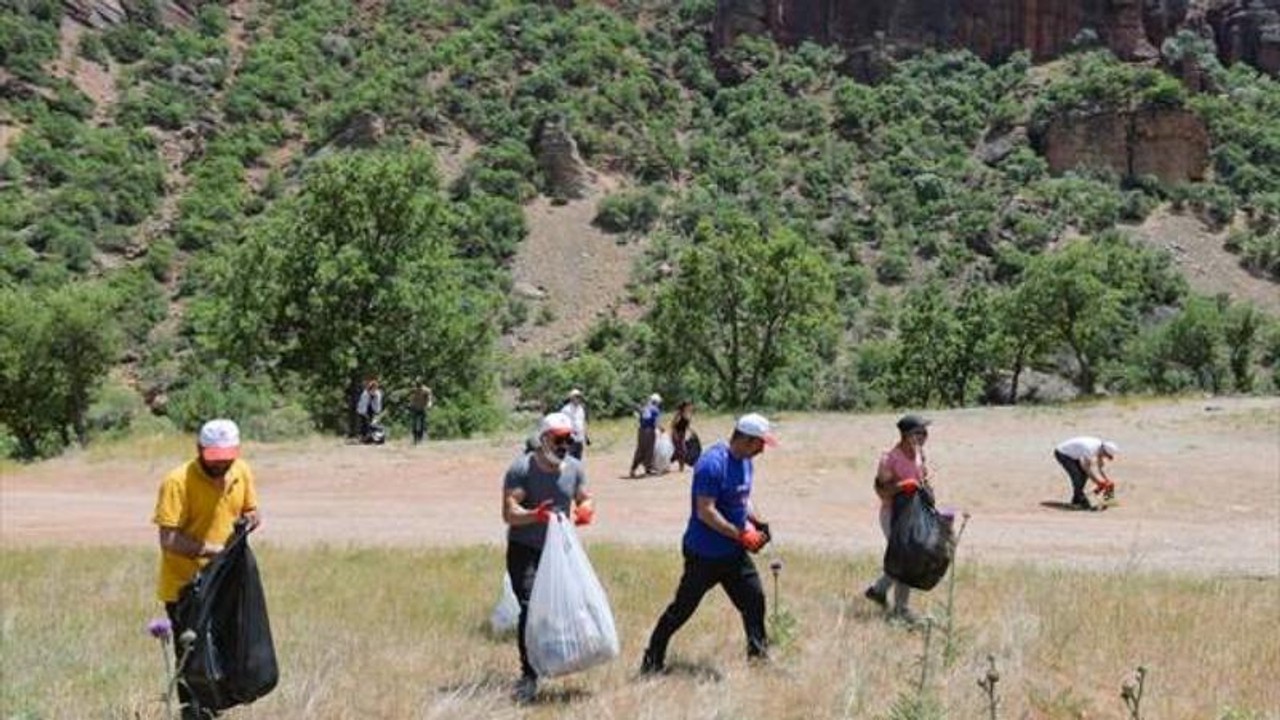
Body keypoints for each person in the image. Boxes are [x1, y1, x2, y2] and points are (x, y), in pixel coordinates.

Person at [641, 413, 776, 675]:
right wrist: (741, 535)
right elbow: (706, 511)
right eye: (760, 444)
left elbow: (743, 498)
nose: (762, 450)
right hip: (704, 554)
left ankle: (758, 656)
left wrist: (757, 522)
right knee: (682, 609)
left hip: (733, 553)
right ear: (746, 440)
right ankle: (652, 660)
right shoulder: (712, 463)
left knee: (754, 600)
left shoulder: (746, 462)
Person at [152, 419, 261, 718]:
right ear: (199, 450)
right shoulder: (177, 482)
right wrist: (213, 551)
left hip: (225, 581)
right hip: (186, 586)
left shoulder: (241, 471)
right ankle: (193, 711)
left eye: (227, 459)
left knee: (227, 648)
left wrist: (251, 519)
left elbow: (251, 509)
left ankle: (217, 709)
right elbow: (169, 538)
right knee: (193, 659)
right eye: (214, 460)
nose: (221, 466)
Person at [502, 411, 596, 703]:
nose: (564, 445)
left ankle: (557, 660)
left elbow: (583, 496)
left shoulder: (575, 468)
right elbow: (509, 513)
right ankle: (529, 675)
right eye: (559, 439)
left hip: (559, 552)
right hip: (524, 551)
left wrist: (585, 509)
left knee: (565, 610)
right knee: (530, 609)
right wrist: (534, 515)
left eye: (569, 440)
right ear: (544, 439)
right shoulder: (521, 469)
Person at [863, 414, 932, 626]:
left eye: (925, 432)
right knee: (906, 560)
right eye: (918, 432)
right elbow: (882, 491)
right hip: (893, 515)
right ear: (905, 435)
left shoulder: (920, 453)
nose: (924, 436)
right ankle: (901, 610)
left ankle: (878, 591)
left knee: (904, 559)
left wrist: (925, 482)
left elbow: (922, 475)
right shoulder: (889, 459)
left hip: (914, 513)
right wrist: (902, 486)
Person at [1053, 436, 1118, 510]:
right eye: (1106, 455)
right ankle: (1082, 501)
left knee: (1083, 476)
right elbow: (1086, 468)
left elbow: (1100, 467)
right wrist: (1098, 482)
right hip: (1062, 453)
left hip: (1073, 455)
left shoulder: (1100, 447)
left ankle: (1077, 500)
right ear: (1103, 451)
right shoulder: (1090, 449)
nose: (1105, 457)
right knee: (1077, 476)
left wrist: (1107, 480)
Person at [629, 393, 662, 477]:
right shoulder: (656, 410)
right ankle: (647, 470)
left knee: (640, 450)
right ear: (657, 402)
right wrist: (661, 429)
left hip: (641, 431)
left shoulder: (644, 408)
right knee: (649, 450)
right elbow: (657, 423)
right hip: (649, 431)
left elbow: (637, 416)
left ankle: (633, 469)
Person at [559, 388, 589, 460]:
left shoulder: (581, 409)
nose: (578, 399)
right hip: (570, 440)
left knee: (578, 460)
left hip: (580, 439)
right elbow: (561, 424)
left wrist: (586, 435)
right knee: (569, 460)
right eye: (576, 396)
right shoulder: (565, 409)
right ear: (571, 398)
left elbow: (582, 422)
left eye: (579, 397)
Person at [670, 400, 695, 472]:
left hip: (682, 434)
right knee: (680, 450)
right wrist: (675, 435)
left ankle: (681, 467)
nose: (691, 407)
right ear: (685, 406)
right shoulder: (679, 414)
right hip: (677, 433)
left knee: (682, 450)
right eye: (689, 406)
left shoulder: (689, 415)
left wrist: (691, 432)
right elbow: (673, 425)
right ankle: (679, 466)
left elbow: (687, 426)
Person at [408, 380, 434, 445]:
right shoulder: (414, 390)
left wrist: (429, 404)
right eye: (417, 386)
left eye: (419, 386)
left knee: (422, 423)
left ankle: (420, 438)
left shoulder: (426, 390)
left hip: (422, 408)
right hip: (415, 407)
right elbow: (411, 397)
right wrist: (410, 404)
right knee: (414, 423)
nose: (418, 388)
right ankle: (415, 438)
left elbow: (430, 398)